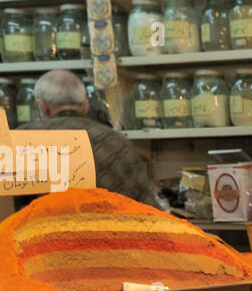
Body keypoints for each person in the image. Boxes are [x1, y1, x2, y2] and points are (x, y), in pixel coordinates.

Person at [19, 70, 154, 204]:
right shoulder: (117, 142)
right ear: (85, 106)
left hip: (40, 224)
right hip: (110, 224)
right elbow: (146, 204)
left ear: (42, 106)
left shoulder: (23, 139)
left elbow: (5, 203)